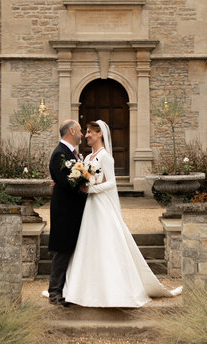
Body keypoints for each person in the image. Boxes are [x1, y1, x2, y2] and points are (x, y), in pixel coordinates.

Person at [62, 119, 181, 307]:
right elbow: (86, 179)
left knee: (107, 243)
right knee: (88, 243)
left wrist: (91, 189)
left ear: (99, 133)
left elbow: (111, 184)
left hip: (102, 206)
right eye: (85, 132)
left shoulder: (105, 157)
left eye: (89, 132)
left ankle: (115, 290)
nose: (86, 136)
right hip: (90, 207)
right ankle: (85, 289)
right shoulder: (86, 159)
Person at [46, 119, 87, 306]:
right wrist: (84, 184)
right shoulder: (59, 154)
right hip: (65, 211)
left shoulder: (71, 153)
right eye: (79, 130)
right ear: (71, 131)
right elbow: (66, 183)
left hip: (73, 210)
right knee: (62, 250)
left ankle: (66, 291)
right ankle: (54, 293)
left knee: (69, 249)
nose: (82, 134)